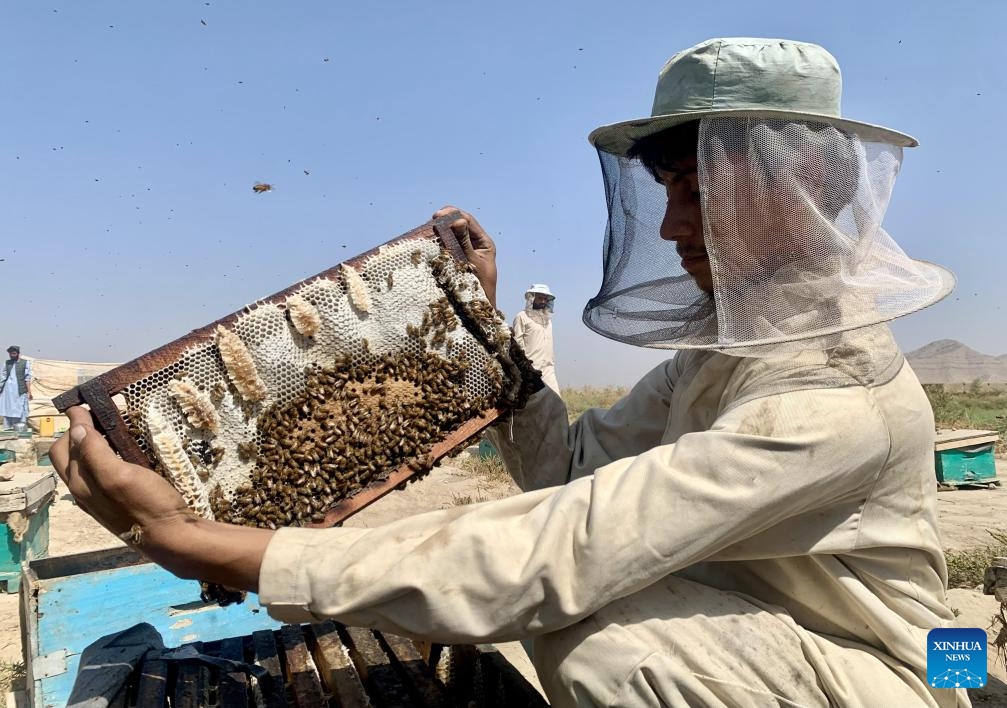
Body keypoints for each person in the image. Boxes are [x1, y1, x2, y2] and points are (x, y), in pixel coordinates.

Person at [50, 38, 966, 707]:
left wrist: (212, 547)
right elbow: (570, 472)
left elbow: (561, 549)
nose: (678, 226)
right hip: (775, 640)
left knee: (601, 633)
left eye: (701, 188)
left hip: (877, 675)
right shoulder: (724, 358)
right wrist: (479, 333)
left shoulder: (832, 400)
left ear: (809, 181)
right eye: (671, 191)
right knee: (584, 590)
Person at [512, 283, 560, 393]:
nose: (543, 301)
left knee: (556, 402)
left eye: (545, 299)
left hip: (548, 369)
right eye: (540, 298)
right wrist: (524, 366)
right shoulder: (521, 317)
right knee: (533, 404)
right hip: (531, 369)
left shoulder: (548, 320)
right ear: (531, 298)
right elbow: (517, 344)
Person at [0, 346, 32, 430]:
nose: (12, 355)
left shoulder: (25, 363)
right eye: (11, 354)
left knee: (20, 408)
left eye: (14, 353)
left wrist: (29, 392)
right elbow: (3, 377)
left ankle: (20, 427)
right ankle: (8, 427)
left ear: (18, 353)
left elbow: (27, 378)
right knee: (8, 408)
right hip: (8, 390)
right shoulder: (7, 363)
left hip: (20, 390)